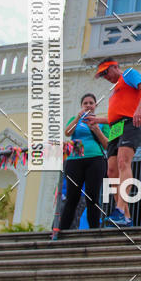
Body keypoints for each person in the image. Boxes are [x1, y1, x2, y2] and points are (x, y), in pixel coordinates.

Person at [86, 59, 141, 229]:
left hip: (131, 122)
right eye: (102, 75)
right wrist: (97, 120)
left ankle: (120, 210)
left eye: (106, 72)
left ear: (115, 67)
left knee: (124, 162)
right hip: (116, 127)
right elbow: (115, 116)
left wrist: (139, 109)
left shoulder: (129, 74)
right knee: (111, 171)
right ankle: (126, 218)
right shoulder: (115, 90)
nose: (105, 77)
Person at [51, 93, 109, 241]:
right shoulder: (75, 120)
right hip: (74, 160)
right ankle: (62, 231)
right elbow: (67, 132)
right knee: (72, 197)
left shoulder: (102, 122)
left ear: (95, 105)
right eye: (85, 103)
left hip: (95, 160)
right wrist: (78, 118)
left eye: (91, 103)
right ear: (82, 106)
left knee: (92, 197)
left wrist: (96, 129)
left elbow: (107, 144)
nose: (88, 105)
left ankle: (94, 232)